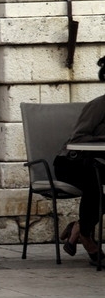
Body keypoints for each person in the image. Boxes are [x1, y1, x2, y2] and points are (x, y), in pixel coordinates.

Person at [54, 56, 105, 266]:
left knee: (96, 180)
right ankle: (86, 237)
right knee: (94, 186)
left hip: (98, 164)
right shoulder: (98, 105)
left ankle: (78, 227)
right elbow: (78, 139)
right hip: (72, 163)